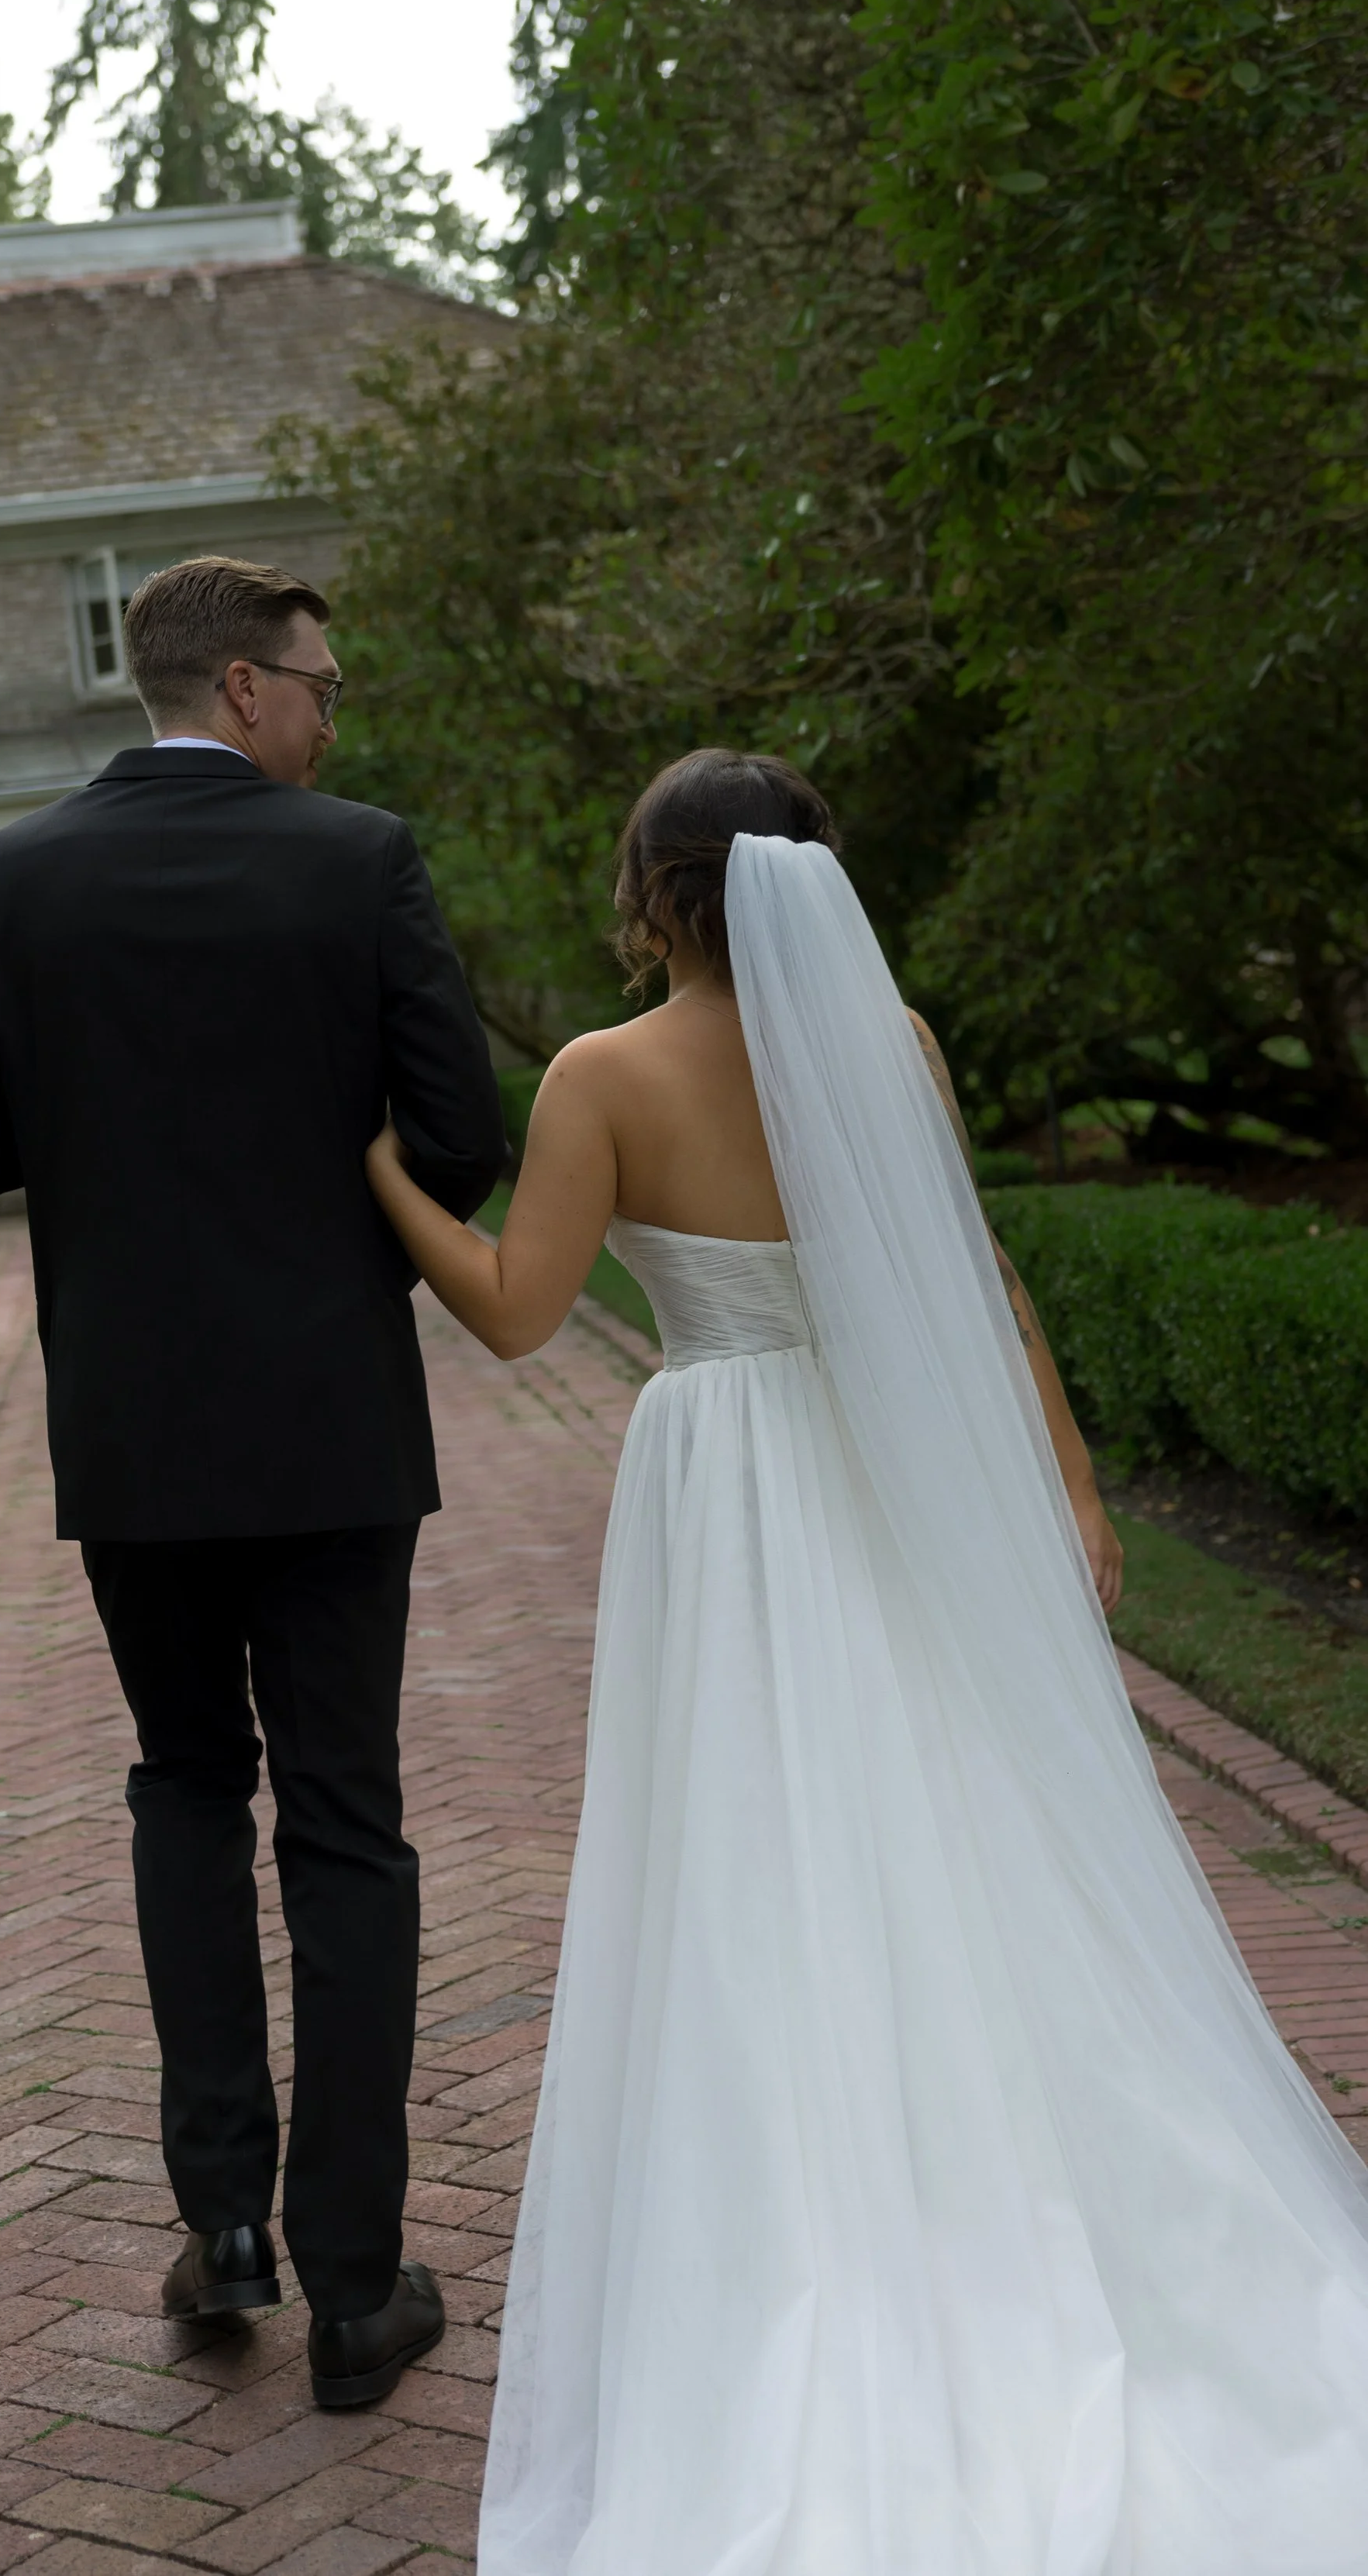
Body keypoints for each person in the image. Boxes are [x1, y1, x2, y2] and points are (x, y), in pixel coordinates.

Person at [366, 746, 1368, 2572]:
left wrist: (374, 1171)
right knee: (954, 1815)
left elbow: (515, 1313)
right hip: (907, 1472)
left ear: (654, 894)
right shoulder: (885, 1040)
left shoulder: (598, 1074)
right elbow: (973, 1277)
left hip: (729, 1489)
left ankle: (818, 2224)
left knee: (754, 1852)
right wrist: (1065, 1488)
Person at [0, 554, 505, 2409]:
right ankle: (352, 2281)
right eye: (319, 681)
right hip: (331, 1437)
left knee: (182, 1789)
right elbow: (464, 1138)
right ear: (240, 687)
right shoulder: (356, 861)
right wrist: (335, 1292)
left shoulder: (5, 882)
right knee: (346, 1825)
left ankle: (222, 2226)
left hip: (137, 1442)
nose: (335, 714)